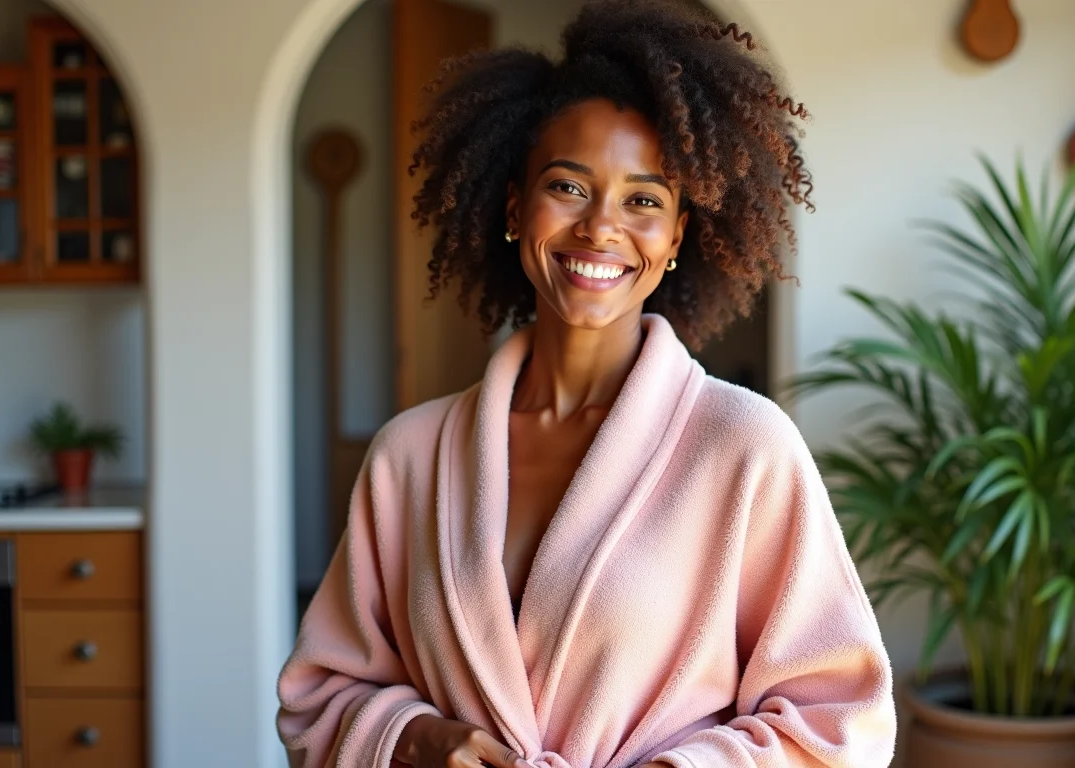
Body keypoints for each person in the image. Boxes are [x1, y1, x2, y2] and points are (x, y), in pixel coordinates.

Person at [276, 1, 896, 766]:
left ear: (675, 238)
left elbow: (841, 719)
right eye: (569, 187)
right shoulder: (409, 457)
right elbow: (319, 695)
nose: (601, 228)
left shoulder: (743, 447)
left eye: (643, 200)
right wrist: (417, 740)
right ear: (514, 208)